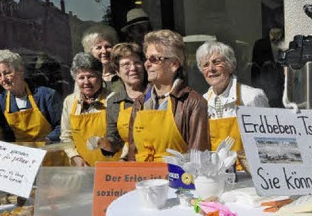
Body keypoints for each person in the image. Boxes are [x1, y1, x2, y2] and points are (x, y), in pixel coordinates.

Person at [126, 29, 210, 162]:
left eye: (154, 59)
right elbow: (132, 153)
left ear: (174, 65)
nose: (147, 64)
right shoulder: (140, 103)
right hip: (143, 180)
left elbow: (198, 159)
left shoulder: (193, 102)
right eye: (146, 59)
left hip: (177, 180)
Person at [196, 40, 269, 153]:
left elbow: (266, 142)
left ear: (231, 66)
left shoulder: (252, 97)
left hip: (247, 169)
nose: (211, 69)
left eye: (216, 62)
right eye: (205, 65)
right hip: (216, 170)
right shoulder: (202, 102)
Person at [0, 49, 61, 143]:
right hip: (22, 155)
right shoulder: (1, 101)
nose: (3, 79)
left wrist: (47, 140)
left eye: (7, 73)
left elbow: (62, 126)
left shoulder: (47, 95)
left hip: (50, 152)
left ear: (20, 70)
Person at [60, 53, 119, 167]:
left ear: (100, 76)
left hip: (111, 168)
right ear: (75, 79)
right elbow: (66, 136)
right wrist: (74, 156)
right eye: (81, 77)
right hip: (82, 169)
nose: (86, 82)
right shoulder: (70, 101)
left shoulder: (113, 99)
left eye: (91, 76)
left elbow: (123, 137)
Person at [97, 43, 147, 159]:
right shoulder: (114, 102)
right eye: (126, 64)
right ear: (117, 71)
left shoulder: (156, 94)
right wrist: (105, 144)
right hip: (133, 164)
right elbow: (115, 140)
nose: (133, 68)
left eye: (137, 63)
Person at [251, 27, 285, 108]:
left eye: (278, 32)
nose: (276, 33)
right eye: (273, 31)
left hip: (281, 81)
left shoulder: (286, 41)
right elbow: (255, 64)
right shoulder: (259, 43)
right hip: (264, 80)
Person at [81, 24, 122, 91]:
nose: (104, 51)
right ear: (90, 51)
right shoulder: (85, 79)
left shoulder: (122, 73)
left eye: (108, 46)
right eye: (99, 47)